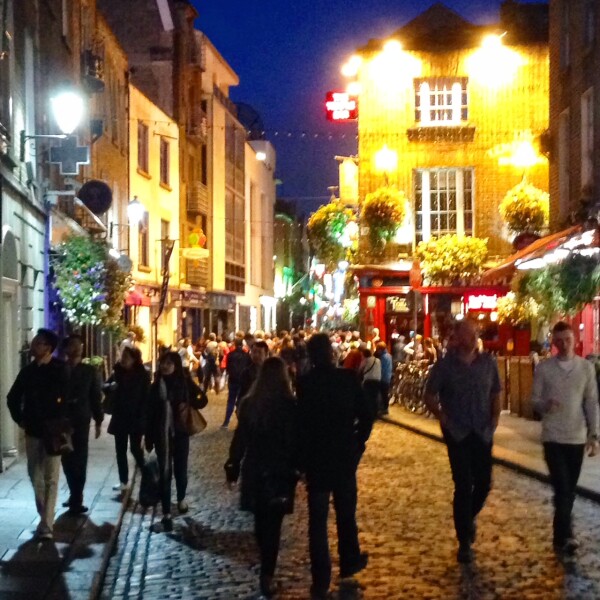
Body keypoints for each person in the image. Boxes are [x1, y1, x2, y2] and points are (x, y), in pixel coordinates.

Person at [296, 333, 373, 599]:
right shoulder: (347, 379)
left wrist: (301, 460)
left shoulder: (305, 383)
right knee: (345, 511)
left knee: (317, 521)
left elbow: (301, 425)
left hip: (317, 460)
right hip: (343, 458)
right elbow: (367, 413)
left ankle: (321, 577)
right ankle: (349, 559)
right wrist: (359, 442)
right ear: (330, 352)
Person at [424, 320, 502, 564]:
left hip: (481, 431)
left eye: (473, 333)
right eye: (467, 333)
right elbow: (428, 394)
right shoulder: (445, 366)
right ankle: (464, 541)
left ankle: (466, 520)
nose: (471, 337)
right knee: (463, 483)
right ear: (458, 337)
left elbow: (496, 393)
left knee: (483, 483)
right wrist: (443, 417)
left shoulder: (488, 363)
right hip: (457, 432)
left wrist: (494, 420)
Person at [225, 357, 299, 598]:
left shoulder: (250, 404)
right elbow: (295, 442)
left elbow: (240, 439)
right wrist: (299, 467)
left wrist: (234, 464)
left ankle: (266, 571)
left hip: (256, 469)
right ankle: (267, 571)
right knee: (272, 526)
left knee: (260, 523)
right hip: (280, 471)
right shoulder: (290, 406)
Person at [531, 321, 599, 555]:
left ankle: (561, 533)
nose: (563, 344)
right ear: (554, 342)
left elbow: (591, 402)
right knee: (561, 486)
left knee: (568, 489)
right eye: (558, 341)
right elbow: (534, 400)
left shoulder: (585, 369)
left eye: (567, 340)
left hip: (576, 437)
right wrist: (544, 405)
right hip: (553, 437)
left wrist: (594, 434)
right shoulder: (545, 369)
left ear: (575, 340)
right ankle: (565, 535)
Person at [7, 328, 69, 540]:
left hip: (54, 431)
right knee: (35, 476)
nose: (33, 345)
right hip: (33, 430)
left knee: (51, 476)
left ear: (48, 348)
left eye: (38, 343)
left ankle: (47, 524)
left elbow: (69, 398)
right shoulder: (28, 372)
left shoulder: (60, 369)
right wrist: (20, 418)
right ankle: (45, 515)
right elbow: (12, 397)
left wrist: (64, 422)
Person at [145, 351, 206, 530]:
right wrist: (148, 438)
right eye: (163, 362)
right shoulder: (156, 386)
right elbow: (149, 414)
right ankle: (166, 511)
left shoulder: (184, 382)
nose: (165, 366)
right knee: (165, 472)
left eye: (169, 363)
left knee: (180, 469)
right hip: (161, 435)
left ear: (176, 365)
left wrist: (188, 405)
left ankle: (180, 499)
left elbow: (203, 399)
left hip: (180, 433)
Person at [61, 334, 104, 513]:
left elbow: (95, 396)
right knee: (66, 458)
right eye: (73, 345)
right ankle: (73, 493)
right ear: (66, 349)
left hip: (81, 420)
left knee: (80, 458)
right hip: (62, 421)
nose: (77, 348)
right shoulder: (59, 369)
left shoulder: (89, 371)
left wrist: (98, 420)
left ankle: (77, 497)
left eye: (79, 345)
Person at [106, 346, 150, 492]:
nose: (123, 359)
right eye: (122, 355)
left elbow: (146, 397)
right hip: (120, 416)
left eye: (127, 356)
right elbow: (104, 385)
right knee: (120, 450)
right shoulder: (117, 371)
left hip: (136, 417)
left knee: (135, 449)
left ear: (134, 359)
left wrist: (144, 417)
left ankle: (147, 474)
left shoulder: (142, 374)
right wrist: (110, 386)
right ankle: (123, 481)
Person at [222, 337, 251, 429]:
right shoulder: (246, 355)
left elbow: (228, 367)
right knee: (241, 401)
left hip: (233, 380)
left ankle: (226, 422)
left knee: (231, 400)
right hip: (242, 380)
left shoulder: (231, 354)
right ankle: (241, 422)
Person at [358, 347, 381, 422]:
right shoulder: (378, 360)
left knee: (368, 398)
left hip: (368, 381)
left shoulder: (366, 360)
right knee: (375, 397)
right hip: (377, 380)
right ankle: (375, 414)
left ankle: (369, 414)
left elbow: (360, 369)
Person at [375, 342, 393, 417]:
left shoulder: (383, 357)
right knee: (385, 393)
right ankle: (384, 408)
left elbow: (381, 368)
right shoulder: (388, 356)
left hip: (383, 377)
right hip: (388, 376)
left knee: (383, 393)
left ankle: (384, 409)